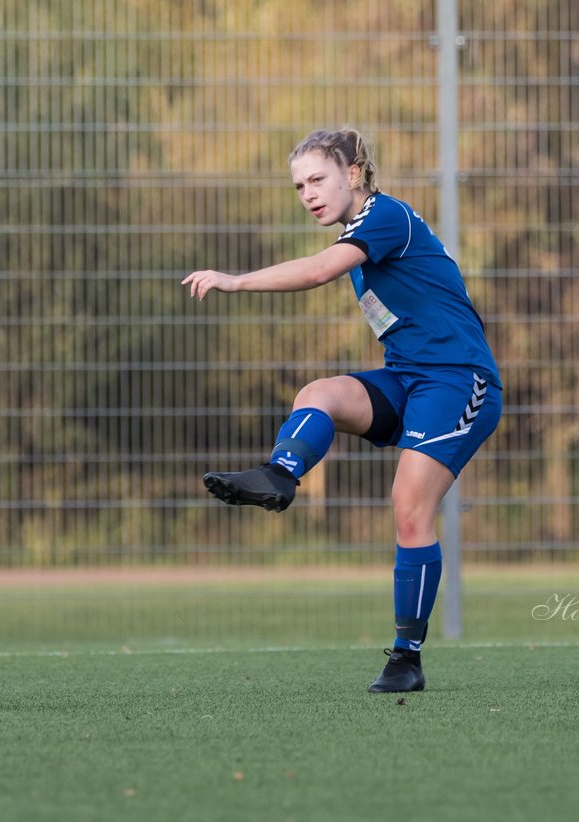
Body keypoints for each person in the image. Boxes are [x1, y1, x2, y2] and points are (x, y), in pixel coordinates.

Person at [183, 128, 502, 693]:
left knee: (408, 510)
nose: (308, 194)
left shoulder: (384, 216)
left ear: (354, 173)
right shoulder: (360, 230)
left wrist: (234, 281)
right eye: (299, 185)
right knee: (318, 394)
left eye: (318, 179)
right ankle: (280, 475)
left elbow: (315, 271)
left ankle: (406, 658)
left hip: (459, 382)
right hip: (409, 378)